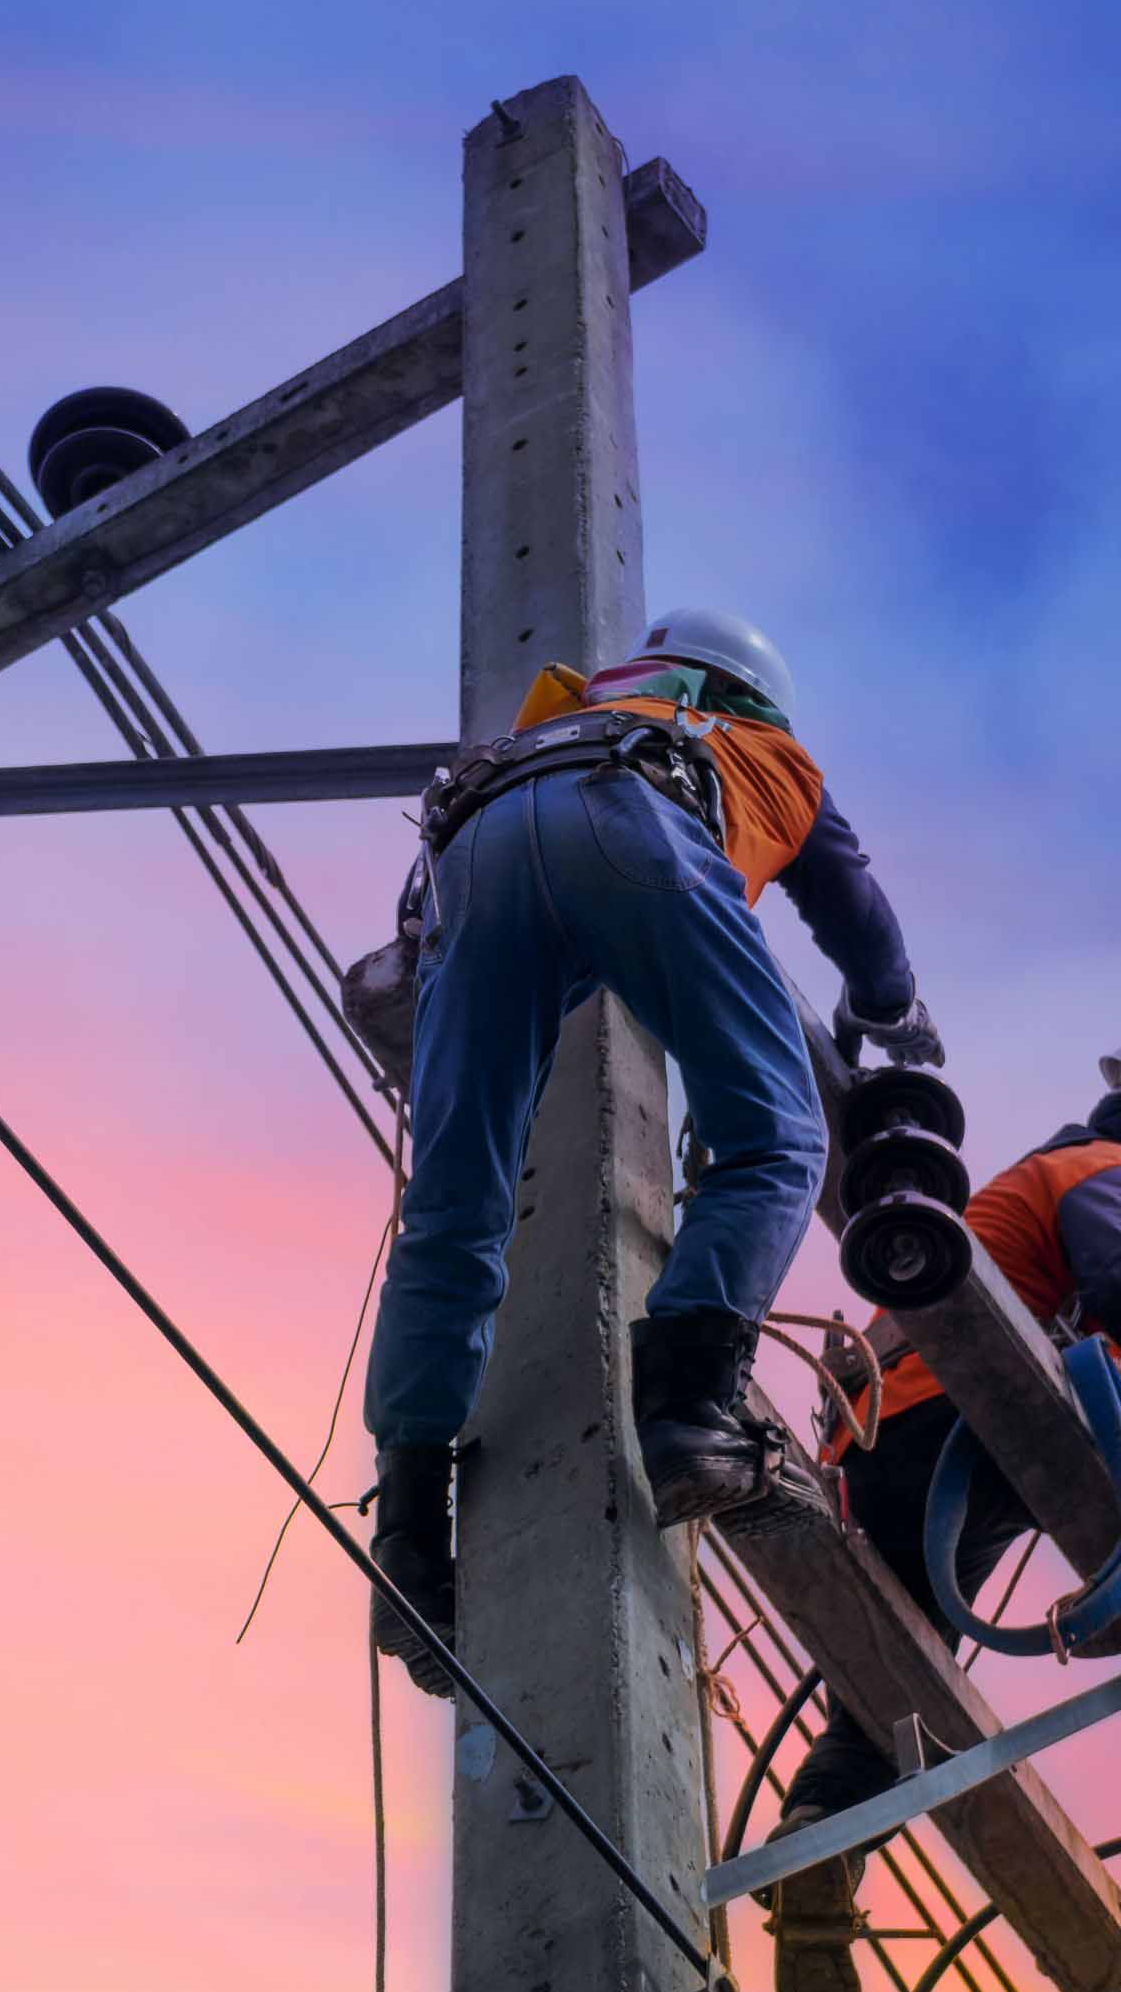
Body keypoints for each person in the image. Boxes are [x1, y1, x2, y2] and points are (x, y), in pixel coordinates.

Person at [356, 603, 939, 1696]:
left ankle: (409, 1534)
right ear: (755, 695)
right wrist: (895, 1012)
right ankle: (688, 1415)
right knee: (776, 1132)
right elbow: (854, 911)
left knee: (452, 1208)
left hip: (477, 846)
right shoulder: (766, 751)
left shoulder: (571, 710)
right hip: (634, 816)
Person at [764, 1025, 1121, 1992]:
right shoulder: (1105, 1170)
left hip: (880, 1445)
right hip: (968, 1416)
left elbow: (1096, 1316)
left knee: (897, 1697)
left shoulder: (1034, 1198)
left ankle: (820, 1854)